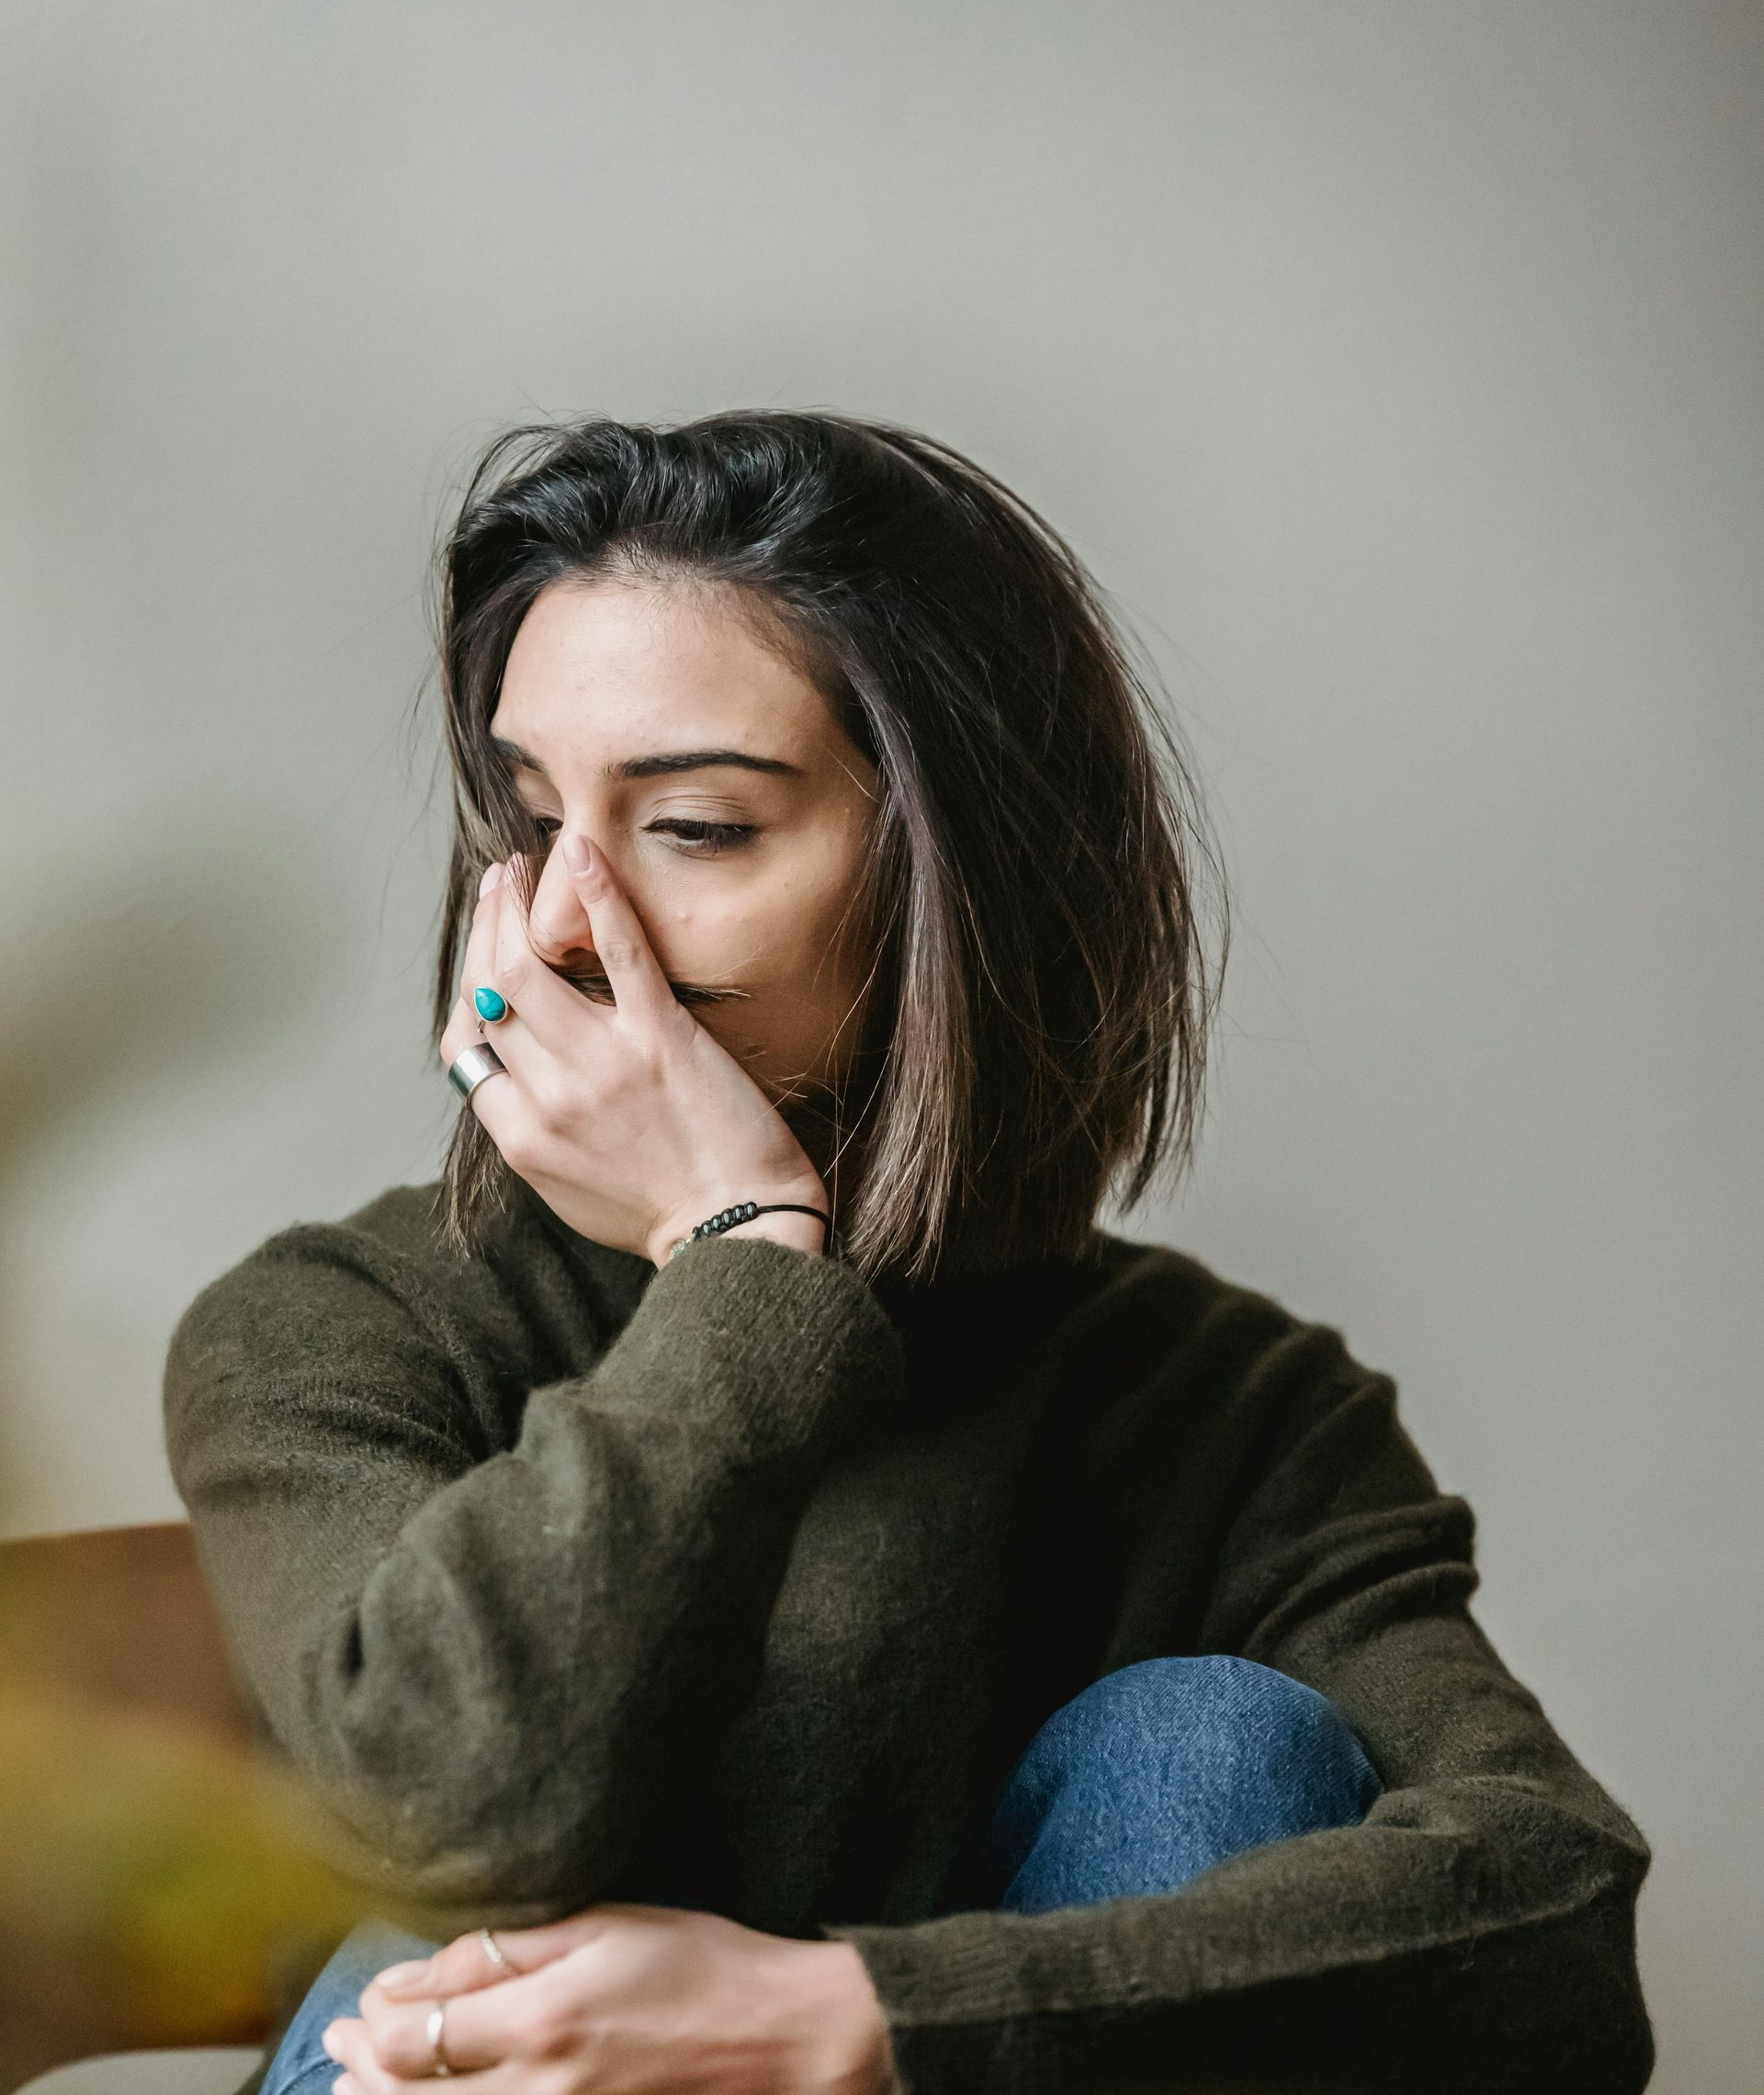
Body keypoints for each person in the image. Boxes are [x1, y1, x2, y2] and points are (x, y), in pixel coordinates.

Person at [164, 411, 1653, 2095]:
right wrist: (742, 1267)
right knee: (438, 1939)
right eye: (527, 818)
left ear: (958, 871)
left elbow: (1556, 1929)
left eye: (699, 826)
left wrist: (860, 2025)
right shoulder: (340, 1323)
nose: (566, 926)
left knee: (1216, 1745)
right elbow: (457, 1807)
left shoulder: (1224, 1409)